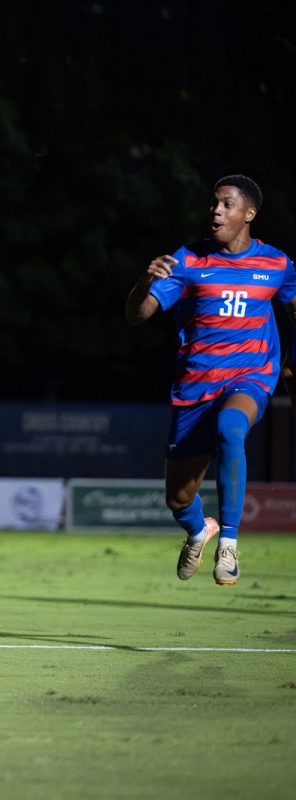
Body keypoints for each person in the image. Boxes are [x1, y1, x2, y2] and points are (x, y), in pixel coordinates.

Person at [125, 174, 296, 586]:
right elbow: (137, 314)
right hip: (195, 387)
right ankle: (200, 531)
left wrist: (290, 363)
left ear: (249, 213)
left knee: (230, 429)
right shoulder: (187, 261)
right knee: (178, 499)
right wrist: (146, 280)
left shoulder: (277, 264)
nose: (216, 211)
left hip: (251, 375)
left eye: (226, 204)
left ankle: (229, 545)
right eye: (213, 204)